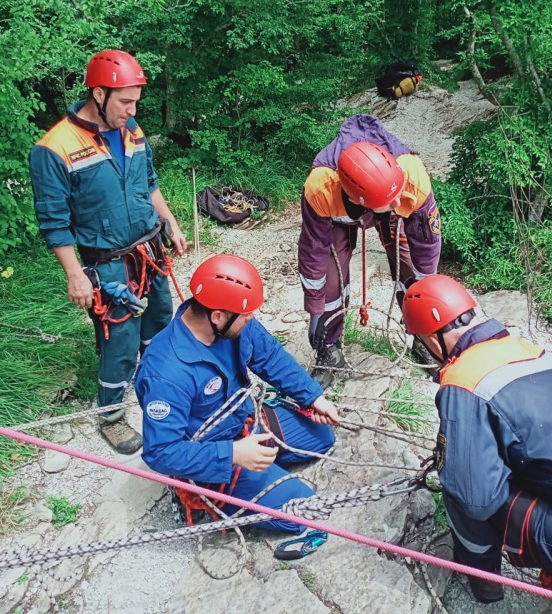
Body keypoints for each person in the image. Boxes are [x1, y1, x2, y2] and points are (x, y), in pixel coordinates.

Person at [401, 274, 552, 604]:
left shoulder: (463, 377)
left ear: (432, 342)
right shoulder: (528, 349)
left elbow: (475, 497)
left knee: (458, 490)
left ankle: (484, 581)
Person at [30, 49, 186, 454]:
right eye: (125, 101)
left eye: (136, 101)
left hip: (148, 251)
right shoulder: (54, 147)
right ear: (98, 94)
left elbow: (149, 184)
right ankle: (112, 416)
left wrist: (170, 222)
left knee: (160, 324)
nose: (133, 110)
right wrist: (74, 274)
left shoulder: (131, 129)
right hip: (108, 263)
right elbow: (54, 221)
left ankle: (161, 387)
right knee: (119, 338)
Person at [135, 254, 338, 534]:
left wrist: (313, 397)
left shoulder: (231, 322)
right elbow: (160, 452)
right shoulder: (166, 373)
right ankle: (223, 491)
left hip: (243, 422)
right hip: (214, 451)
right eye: (246, 316)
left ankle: (260, 466)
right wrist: (232, 454)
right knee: (303, 512)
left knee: (322, 436)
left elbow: (270, 356)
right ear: (217, 316)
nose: (251, 319)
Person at [298, 114, 441, 388]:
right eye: (393, 200)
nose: (400, 201)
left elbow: (426, 243)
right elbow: (312, 249)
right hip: (343, 211)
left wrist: (427, 294)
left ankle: (423, 339)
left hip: (384, 207)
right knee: (329, 276)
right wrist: (315, 309)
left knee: (411, 267)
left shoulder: (411, 180)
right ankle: (330, 348)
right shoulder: (321, 188)